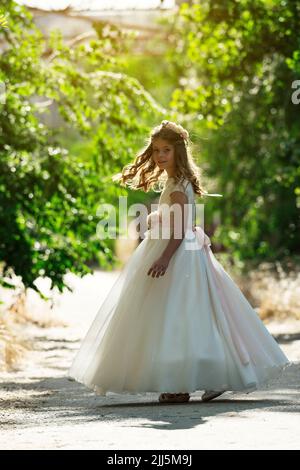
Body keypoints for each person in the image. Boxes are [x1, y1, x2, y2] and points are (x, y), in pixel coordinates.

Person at [67, 120, 290, 403]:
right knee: (186, 315)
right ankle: (191, 380)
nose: (160, 156)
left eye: (167, 150)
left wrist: (164, 258)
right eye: (157, 150)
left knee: (178, 316)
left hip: (179, 253)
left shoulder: (178, 185)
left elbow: (181, 229)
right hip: (180, 249)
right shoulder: (175, 182)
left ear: (179, 151)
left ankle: (180, 385)